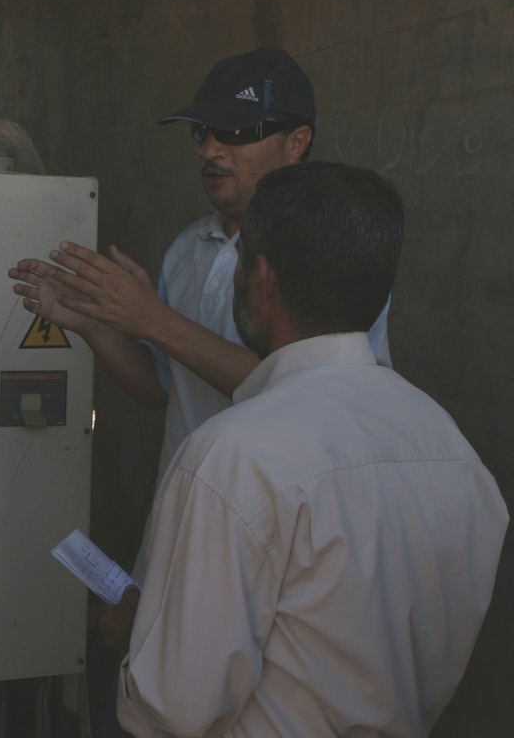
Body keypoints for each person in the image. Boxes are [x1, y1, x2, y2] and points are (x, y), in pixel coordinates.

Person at [104, 161, 508, 737]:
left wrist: (132, 638)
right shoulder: (452, 450)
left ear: (261, 279)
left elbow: (174, 707)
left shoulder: (234, 455)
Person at [9, 48, 392, 505]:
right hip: (187, 505)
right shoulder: (188, 248)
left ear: (297, 142)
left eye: (235, 132)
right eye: (203, 133)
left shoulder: (332, 248)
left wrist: (151, 318)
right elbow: (159, 390)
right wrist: (93, 320)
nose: (211, 151)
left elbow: (313, 394)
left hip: (281, 517)